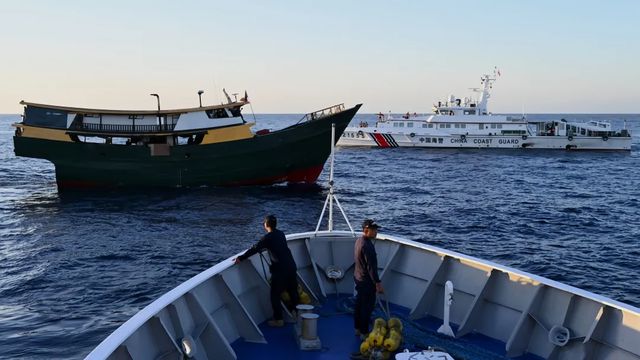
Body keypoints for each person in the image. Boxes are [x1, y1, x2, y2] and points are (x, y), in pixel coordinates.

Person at [234, 215, 299, 327]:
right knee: (292, 291)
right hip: (291, 266)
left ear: (266, 225)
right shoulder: (281, 234)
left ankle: (279, 320)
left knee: (275, 294)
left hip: (280, 270)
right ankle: (297, 313)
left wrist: (241, 257)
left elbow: (255, 248)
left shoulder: (267, 238)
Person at [353, 219, 384, 337]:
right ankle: (364, 332)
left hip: (359, 278)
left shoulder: (359, 241)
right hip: (366, 282)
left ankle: (357, 328)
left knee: (359, 305)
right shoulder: (368, 246)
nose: (376, 232)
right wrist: (378, 283)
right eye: (374, 230)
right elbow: (371, 268)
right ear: (366, 230)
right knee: (367, 308)